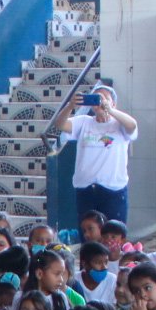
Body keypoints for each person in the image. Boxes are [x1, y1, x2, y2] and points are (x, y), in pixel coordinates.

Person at [51, 85, 138, 223]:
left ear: (113, 103)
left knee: (113, 235)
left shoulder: (119, 124)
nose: (99, 101)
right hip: (86, 189)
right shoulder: (84, 122)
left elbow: (132, 125)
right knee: (88, 236)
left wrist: (110, 110)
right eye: (96, 97)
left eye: (104, 98)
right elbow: (60, 124)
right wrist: (70, 106)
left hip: (113, 190)